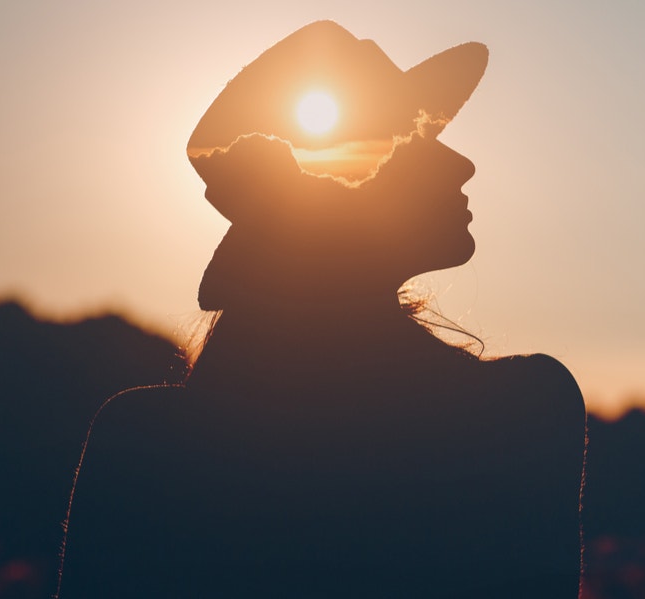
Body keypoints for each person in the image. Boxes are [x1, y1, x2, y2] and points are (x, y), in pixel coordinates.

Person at [58, 21, 586, 599]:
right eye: (415, 140)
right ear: (345, 195)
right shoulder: (524, 409)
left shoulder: (142, 442)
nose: (462, 164)